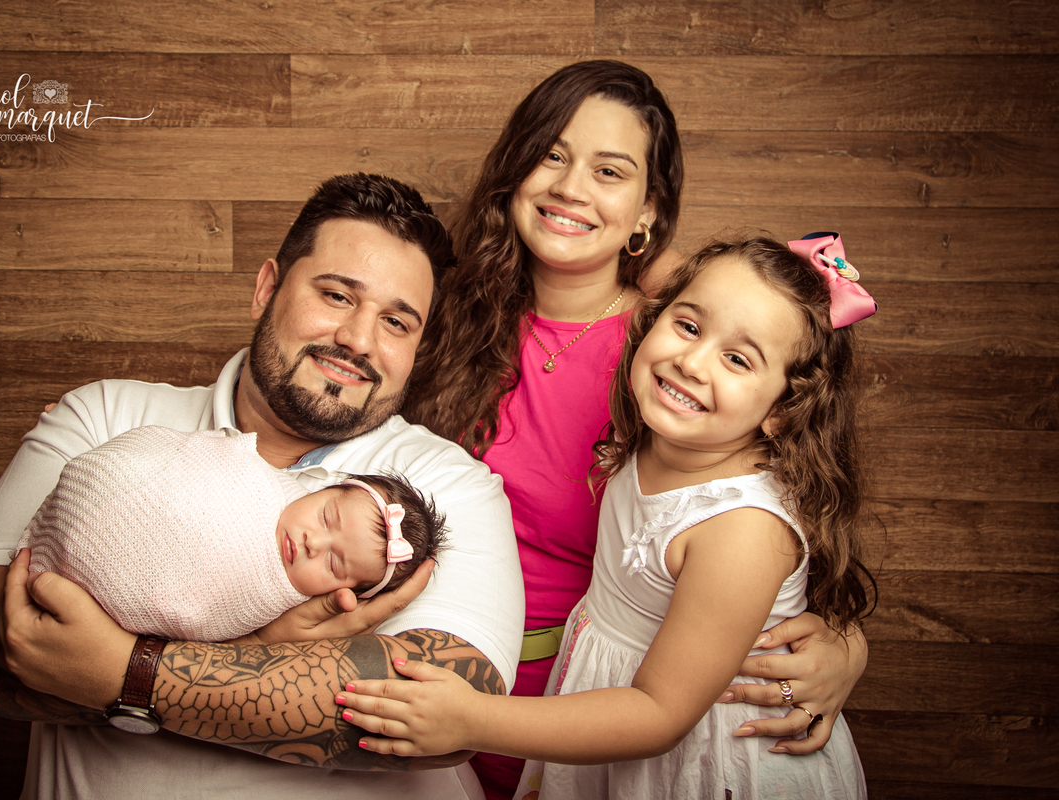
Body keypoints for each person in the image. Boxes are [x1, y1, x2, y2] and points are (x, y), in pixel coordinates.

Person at [0, 172, 525, 799]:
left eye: (397, 322)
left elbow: (452, 717)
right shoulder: (105, 418)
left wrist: (125, 673)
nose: (359, 340)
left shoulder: (447, 491)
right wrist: (268, 653)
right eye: (336, 296)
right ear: (267, 289)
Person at [401, 60, 869, 798]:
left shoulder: (669, 362)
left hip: (576, 709)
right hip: (429, 671)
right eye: (551, 154)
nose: (570, 187)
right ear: (515, 168)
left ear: (649, 210)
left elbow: (773, 514)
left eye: (609, 171)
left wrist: (844, 641)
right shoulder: (441, 308)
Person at [339, 234, 877, 798]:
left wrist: (471, 718)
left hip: (706, 754)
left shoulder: (740, 529)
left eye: (738, 359)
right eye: (688, 327)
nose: (691, 362)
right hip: (609, 716)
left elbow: (660, 714)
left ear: (785, 409)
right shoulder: (660, 434)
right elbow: (643, 260)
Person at [19, 424, 447, 642]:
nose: (314, 543)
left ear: (346, 593)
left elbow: (202, 621)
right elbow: (202, 455)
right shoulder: (259, 477)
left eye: (334, 563)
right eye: (326, 518)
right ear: (323, 487)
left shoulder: (275, 607)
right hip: (102, 490)